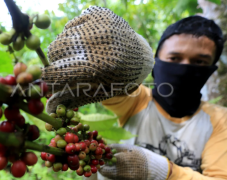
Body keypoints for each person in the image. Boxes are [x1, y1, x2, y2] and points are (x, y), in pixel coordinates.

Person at [43, 6, 226, 180]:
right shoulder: (137, 99)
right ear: (157, 60)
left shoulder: (220, 121)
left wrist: (163, 171)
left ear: (212, 68)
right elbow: (110, 84)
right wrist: (134, 61)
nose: (185, 67)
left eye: (200, 62)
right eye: (174, 58)